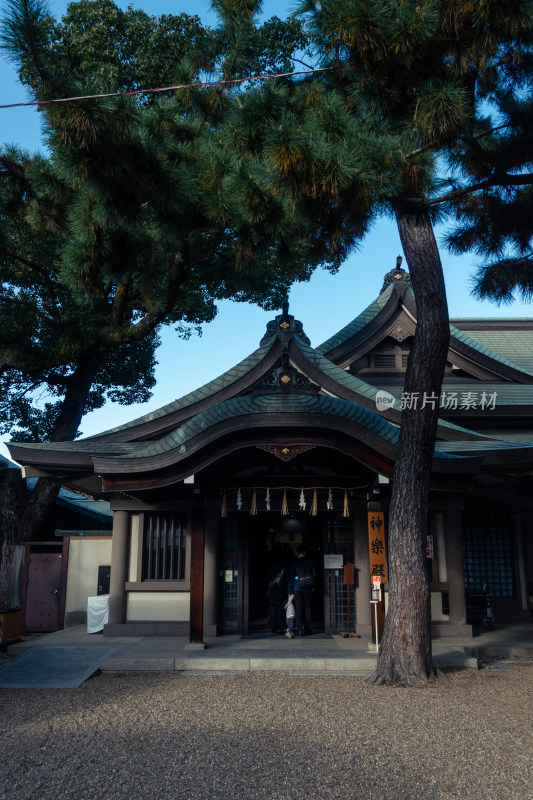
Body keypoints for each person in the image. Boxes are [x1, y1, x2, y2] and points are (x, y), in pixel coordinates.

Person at [287, 544, 316, 636]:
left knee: (298, 609)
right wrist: (313, 586)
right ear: (305, 552)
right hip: (308, 587)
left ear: (297, 552)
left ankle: (299, 629)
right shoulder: (310, 562)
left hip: (297, 588)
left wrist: (289, 591)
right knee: (308, 608)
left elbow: (291, 578)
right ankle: (307, 629)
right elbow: (314, 575)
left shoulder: (294, 563)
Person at [266, 545, 288, 633]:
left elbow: (268, 578)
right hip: (281, 590)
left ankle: (273, 627)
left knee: (273, 611)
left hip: (273, 590)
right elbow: (286, 580)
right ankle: (281, 627)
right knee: (282, 611)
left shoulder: (272, 566)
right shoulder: (284, 568)